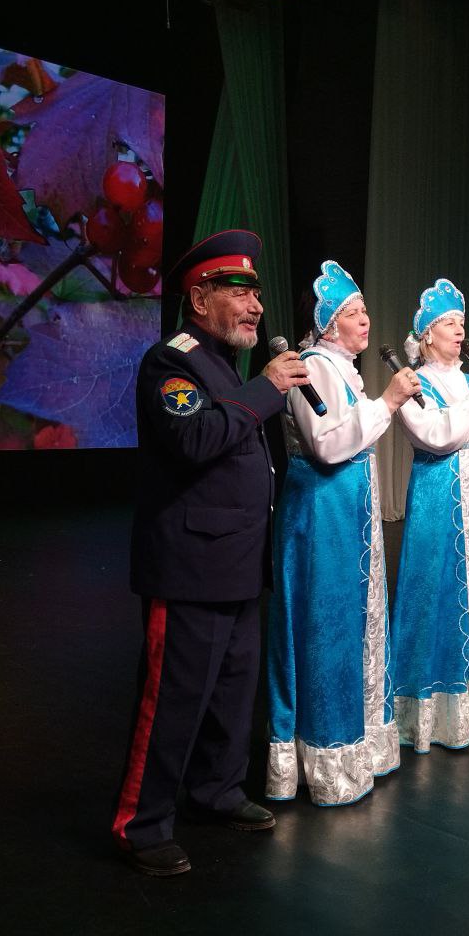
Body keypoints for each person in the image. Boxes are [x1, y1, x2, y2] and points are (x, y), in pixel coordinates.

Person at [114, 229, 310, 877]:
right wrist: (267, 389)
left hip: (238, 562)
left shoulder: (224, 365)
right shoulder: (169, 361)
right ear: (199, 299)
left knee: (231, 692)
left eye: (257, 294)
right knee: (173, 701)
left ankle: (216, 791)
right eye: (240, 293)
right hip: (189, 565)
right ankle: (142, 824)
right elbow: (196, 438)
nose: (256, 306)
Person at [265, 259, 421, 806]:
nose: (366, 319)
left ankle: (358, 743)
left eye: (365, 310)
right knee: (326, 624)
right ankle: (325, 753)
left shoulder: (341, 368)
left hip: (344, 515)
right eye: (354, 312)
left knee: (352, 620)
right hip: (321, 517)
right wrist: (389, 402)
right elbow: (329, 445)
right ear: (328, 324)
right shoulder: (314, 366)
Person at [389, 278, 469, 751]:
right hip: (438, 499)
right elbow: (439, 436)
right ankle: (424, 711)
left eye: (462, 322)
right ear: (427, 335)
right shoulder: (414, 382)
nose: (460, 331)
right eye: (449, 324)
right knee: (433, 592)